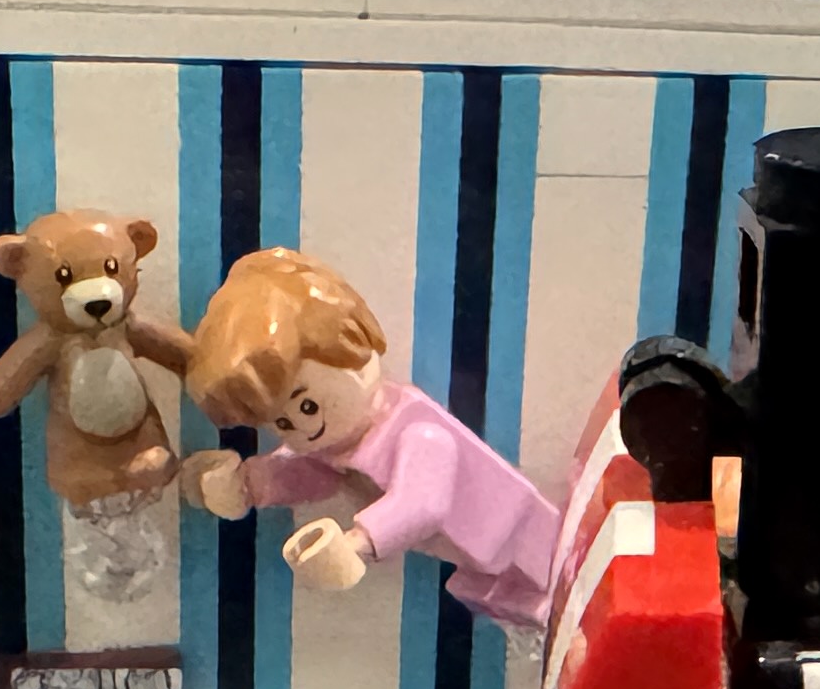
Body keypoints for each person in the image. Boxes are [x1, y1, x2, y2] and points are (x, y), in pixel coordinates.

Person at [179, 249, 565, 631]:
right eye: (281, 422)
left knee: (562, 611)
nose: (301, 427)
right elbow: (313, 472)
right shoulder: (340, 446)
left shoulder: (418, 433)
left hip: (531, 550)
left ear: (354, 348)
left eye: (308, 406)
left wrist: (357, 543)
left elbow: (423, 504)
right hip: (485, 572)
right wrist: (248, 484)